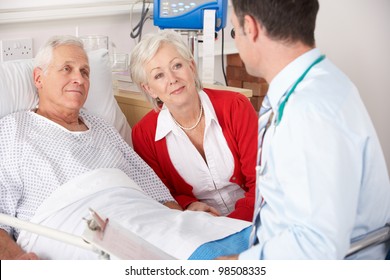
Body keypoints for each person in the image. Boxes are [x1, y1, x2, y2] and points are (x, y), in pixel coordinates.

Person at [218, 0, 390, 259]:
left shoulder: (310, 110)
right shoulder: (317, 83)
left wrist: (239, 264)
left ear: (250, 28)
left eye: (234, 30)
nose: (238, 42)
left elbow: (316, 245)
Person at [0, 35, 188, 259]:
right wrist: (15, 260)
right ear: (39, 78)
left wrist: (184, 223)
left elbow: (155, 191)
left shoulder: (103, 128)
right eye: (67, 69)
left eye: (85, 72)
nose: (78, 79)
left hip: (139, 216)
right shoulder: (13, 130)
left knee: (205, 242)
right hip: (73, 229)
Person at [130, 30, 258, 222]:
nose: (172, 79)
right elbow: (161, 194)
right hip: (197, 227)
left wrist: (231, 225)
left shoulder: (236, 107)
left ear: (192, 67)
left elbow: (262, 183)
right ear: (149, 89)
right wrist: (187, 205)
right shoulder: (144, 134)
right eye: (159, 76)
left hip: (255, 216)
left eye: (177, 65)